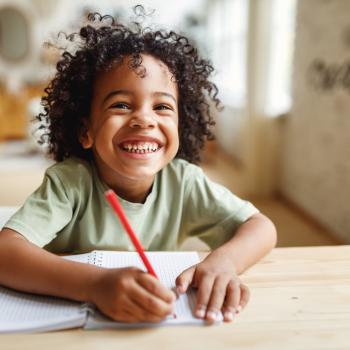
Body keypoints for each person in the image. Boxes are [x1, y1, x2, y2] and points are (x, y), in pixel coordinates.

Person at [0, 10, 277, 324]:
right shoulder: (71, 182)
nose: (145, 119)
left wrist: (224, 261)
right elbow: (5, 253)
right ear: (85, 131)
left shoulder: (184, 182)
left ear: (180, 125)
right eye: (121, 104)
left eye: (162, 107)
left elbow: (262, 227)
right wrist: (95, 285)